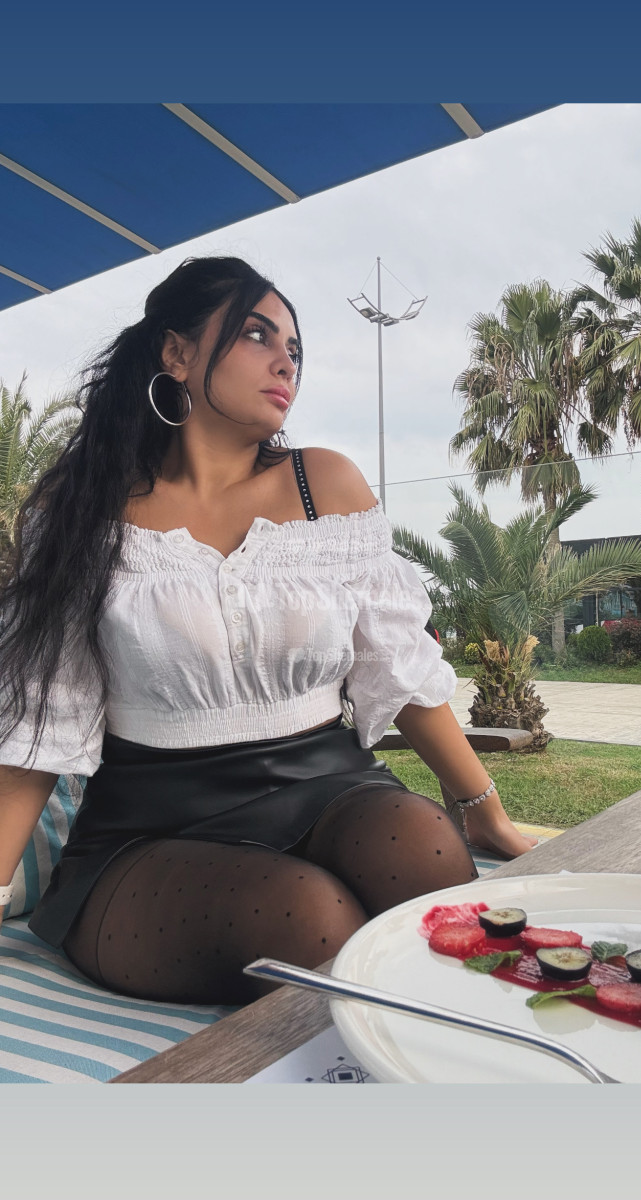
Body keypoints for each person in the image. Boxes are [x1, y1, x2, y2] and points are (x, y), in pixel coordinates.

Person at [0, 257, 534, 1006]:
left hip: (329, 784)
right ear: (176, 352)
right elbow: (39, 722)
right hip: (152, 825)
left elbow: (399, 671)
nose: (286, 362)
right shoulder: (82, 507)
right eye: (257, 335)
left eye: (294, 348)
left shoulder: (324, 487)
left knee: (426, 855)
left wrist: (485, 814)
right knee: (310, 921)